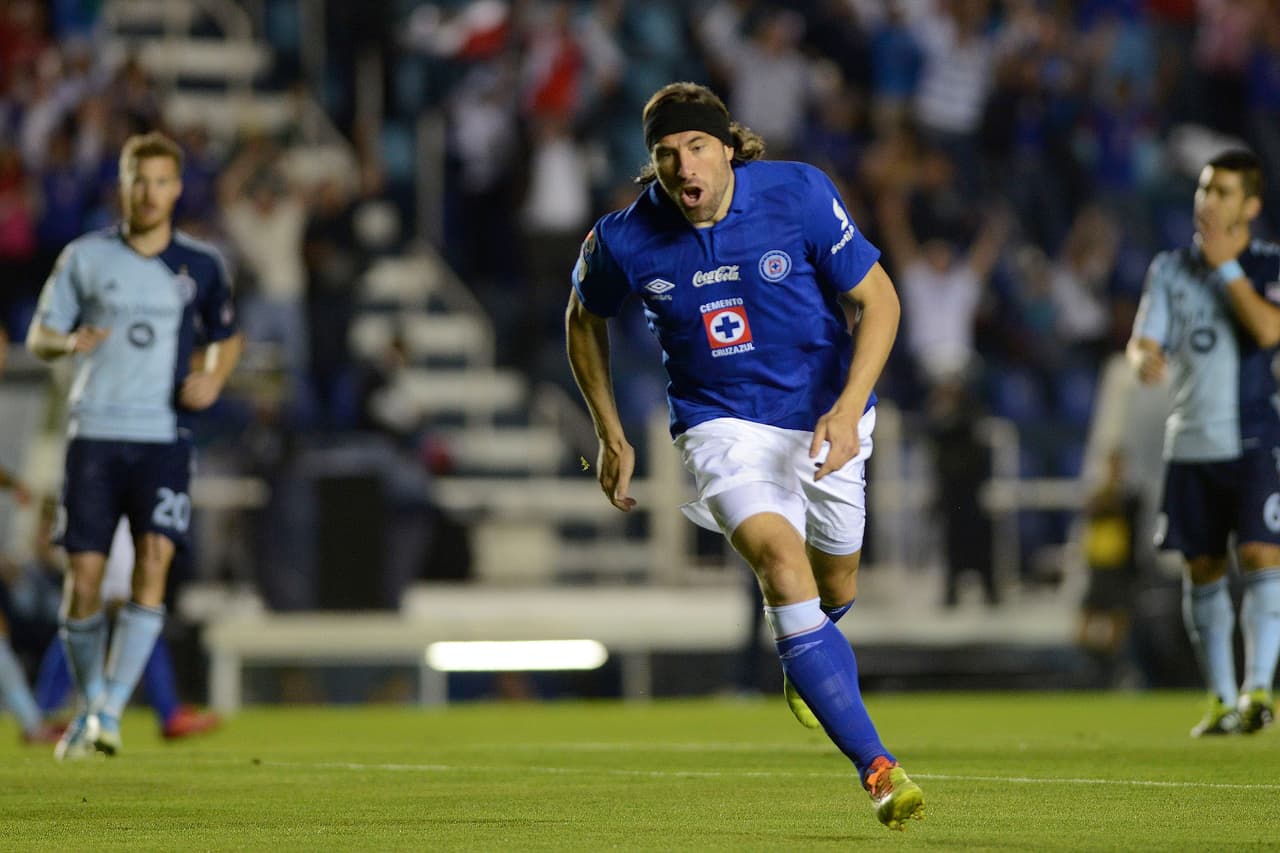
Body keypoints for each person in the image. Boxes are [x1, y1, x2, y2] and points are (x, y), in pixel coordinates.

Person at [565, 81, 924, 830]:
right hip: (719, 425)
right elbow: (582, 317)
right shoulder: (623, 238)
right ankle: (879, 768)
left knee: (835, 580)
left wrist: (851, 405)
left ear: (728, 147)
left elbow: (880, 299)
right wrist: (609, 429)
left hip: (827, 418)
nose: (682, 165)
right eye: (665, 154)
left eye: (696, 146)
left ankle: (809, 655)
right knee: (776, 556)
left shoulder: (797, 193)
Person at [26, 131, 242, 759]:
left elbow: (227, 335)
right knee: (84, 579)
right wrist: (67, 344)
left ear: (177, 189)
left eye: (160, 182)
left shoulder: (201, 266)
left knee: (154, 563)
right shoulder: (84, 258)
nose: (148, 193)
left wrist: (215, 375)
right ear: (122, 185)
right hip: (93, 430)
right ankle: (91, 702)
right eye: (137, 180)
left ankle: (111, 712)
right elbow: (40, 332)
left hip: (163, 435)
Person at [1127, 148, 1280, 737]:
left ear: (1251, 205)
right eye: (1204, 189)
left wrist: (1229, 269)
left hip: (1254, 438)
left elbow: (1269, 330)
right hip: (1189, 440)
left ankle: (1258, 688)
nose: (1208, 201)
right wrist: (1145, 357)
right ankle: (1219, 699)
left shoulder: (1267, 265)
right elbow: (1143, 339)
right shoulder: (1170, 268)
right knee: (1204, 569)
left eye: (1222, 192)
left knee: (1265, 554)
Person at [34, 517, 221, 740]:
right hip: (100, 554)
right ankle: (45, 715)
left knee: (136, 631)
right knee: (84, 628)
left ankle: (168, 712)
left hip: (111, 555)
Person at [1075, 448, 1143, 686]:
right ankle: (1091, 664)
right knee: (1087, 616)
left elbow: (1127, 512)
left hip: (1120, 565)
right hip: (1099, 563)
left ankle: (1111, 668)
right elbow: (1091, 511)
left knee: (1118, 619)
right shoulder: (1100, 492)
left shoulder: (1130, 495)